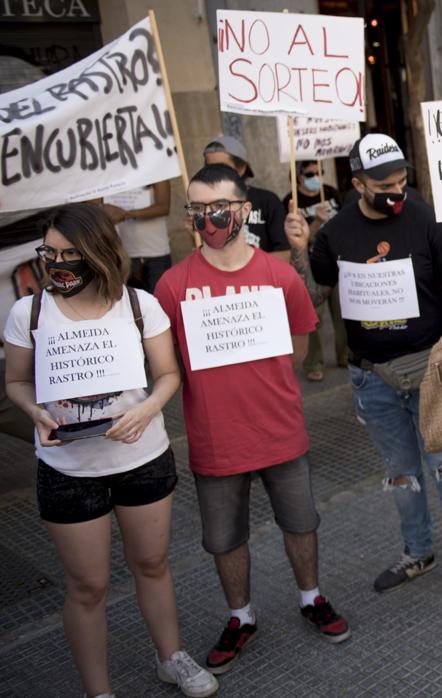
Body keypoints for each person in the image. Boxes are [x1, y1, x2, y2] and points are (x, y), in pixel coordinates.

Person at [4, 204, 218, 698]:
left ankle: (172, 657)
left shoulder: (139, 304)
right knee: (88, 585)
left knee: (152, 564)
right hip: (67, 467)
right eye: (48, 252)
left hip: (141, 458)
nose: (56, 262)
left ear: (98, 253)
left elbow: (168, 374)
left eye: (69, 253)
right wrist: (35, 411)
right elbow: (16, 381)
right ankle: (97, 691)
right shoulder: (29, 311)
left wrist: (147, 411)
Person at [155, 165, 349, 675]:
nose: (207, 217)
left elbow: (298, 349)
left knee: (301, 522)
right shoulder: (173, 287)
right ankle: (240, 617)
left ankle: (311, 597)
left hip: (280, 431)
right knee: (223, 539)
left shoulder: (279, 275)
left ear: (243, 211)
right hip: (215, 440)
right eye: (196, 209)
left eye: (217, 207)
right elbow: (166, 365)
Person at [286, 134, 442, 593]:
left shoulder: (425, 218)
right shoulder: (335, 234)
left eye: (402, 179)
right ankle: (418, 552)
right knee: (401, 471)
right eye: (385, 183)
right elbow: (313, 301)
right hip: (373, 379)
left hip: (431, 372)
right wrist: (299, 249)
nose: (398, 189)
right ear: (357, 184)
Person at [282, 161, 345, 381]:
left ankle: (346, 356)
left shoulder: (331, 192)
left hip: (338, 260)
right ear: (298, 176)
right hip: (310, 263)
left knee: (343, 311)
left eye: (320, 171)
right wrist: (317, 221)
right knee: (313, 318)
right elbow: (296, 238)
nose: (316, 176)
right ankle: (313, 362)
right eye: (310, 173)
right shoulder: (291, 202)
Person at [203, 135, 291, 260]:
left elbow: (284, 254)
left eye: (222, 166)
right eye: (210, 168)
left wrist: (242, 268)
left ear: (241, 168)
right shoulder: (205, 206)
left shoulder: (268, 201)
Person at [99, 179, 173, 293]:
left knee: (161, 301)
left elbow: (163, 207)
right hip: (123, 255)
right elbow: (94, 204)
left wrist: (126, 214)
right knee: (133, 305)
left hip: (156, 252)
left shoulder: (155, 169)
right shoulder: (108, 173)